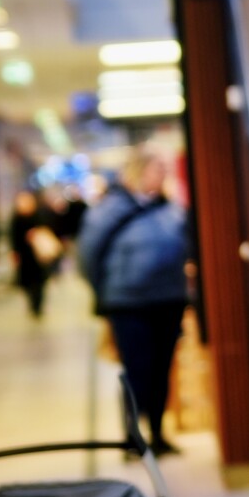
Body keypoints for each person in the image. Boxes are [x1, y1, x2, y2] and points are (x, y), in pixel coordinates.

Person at [77, 149, 193, 454]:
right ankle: (132, 436)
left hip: (168, 299)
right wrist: (104, 292)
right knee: (136, 370)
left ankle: (157, 433)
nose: (163, 175)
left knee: (162, 370)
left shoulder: (170, 208)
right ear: (138, 170)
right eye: (157, 168)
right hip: (128, 304)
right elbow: (87, 257)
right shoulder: (109, 210)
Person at [8, 188, 62, 318]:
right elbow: (13, 237)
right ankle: (32, 304)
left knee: (39, 282)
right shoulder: (16, 218)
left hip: (38, 255)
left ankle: (38, 305)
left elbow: (48, 228)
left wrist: (35, 234)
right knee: (27, 283)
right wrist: (15, 253)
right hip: (24, 255)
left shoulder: (38, 215)